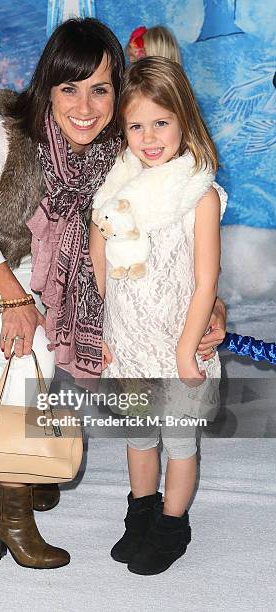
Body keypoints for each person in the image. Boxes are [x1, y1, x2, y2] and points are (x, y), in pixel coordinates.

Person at [0, 18, 226, 570]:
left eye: (100, 88)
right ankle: (8, 512)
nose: (85, 105)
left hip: (45, 261)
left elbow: (155, 238)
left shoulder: (120, 143)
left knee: (58, 353)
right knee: (29, 361)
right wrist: (14, 299)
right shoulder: (7, 136)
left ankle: (27, 466)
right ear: (47, 86)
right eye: (69, 87)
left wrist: (209, 308)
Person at [90, 56, 227, 575]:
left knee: (177, 439)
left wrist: (185, 348)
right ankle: (140, 513)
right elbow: (99, 268)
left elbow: (205, 280)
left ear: (184, 120)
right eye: (136, 125)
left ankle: (172, 525)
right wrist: (97, 331)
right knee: (139, 434)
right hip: (128, 341)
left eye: (161, 122)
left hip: (177, 342)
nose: (149, 137)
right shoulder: (114, 196)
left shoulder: (200, 195)